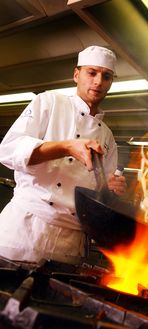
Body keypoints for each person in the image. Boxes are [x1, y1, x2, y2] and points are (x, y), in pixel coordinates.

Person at [0, 45, 127, 264]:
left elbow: (100, 196)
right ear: (76, 74)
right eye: (92, 73)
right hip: (26, 229)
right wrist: (67, 147)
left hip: (70, 244)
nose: (98, 81)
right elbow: (9, 150)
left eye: (106, 76)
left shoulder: (107, 137)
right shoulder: (49, 102)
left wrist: (110, 189)